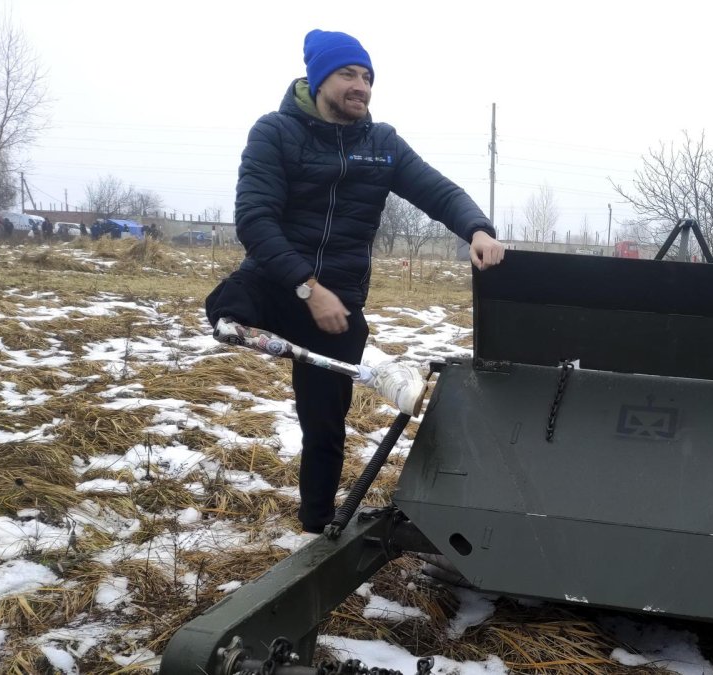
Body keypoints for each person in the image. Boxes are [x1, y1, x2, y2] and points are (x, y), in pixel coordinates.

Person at [205, 29, 506, 534]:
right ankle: (240, 326)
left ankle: (316, 524)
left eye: (367, 77)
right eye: (348, 74)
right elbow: (254, 220)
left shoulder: (382, 144)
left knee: (325, 422)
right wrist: (306, 286)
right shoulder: (276, 132)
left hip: (337, 304)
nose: (361, 85)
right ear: (319, 79)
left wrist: (478, 228)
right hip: (278, 280)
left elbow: (437, 190)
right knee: (228, 301)